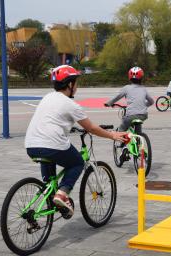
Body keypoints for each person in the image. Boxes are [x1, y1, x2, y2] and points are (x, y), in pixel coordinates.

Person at [25, 65, 126, 216]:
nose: (77, 86)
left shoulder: (47, 97)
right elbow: (91, 127)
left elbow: (52, 119)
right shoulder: (71, 105)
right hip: (52, 145)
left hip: (31, 145)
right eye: (76, 83)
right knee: (77, 162)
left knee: (50, 177)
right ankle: (62, 194)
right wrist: (112, 135)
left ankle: (51, 194)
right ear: (69, 84)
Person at [105, 66, 154, 131]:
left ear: (129, 78)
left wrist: (109, 103)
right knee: (135, 123)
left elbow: (117, 97)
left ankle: (121, 138)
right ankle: (139, 136)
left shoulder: (126, 88)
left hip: (131, 115)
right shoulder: (143, 89)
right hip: (143, 115)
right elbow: (151, 101)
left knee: (122, 128)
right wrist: (144, 105)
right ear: (142, 78)